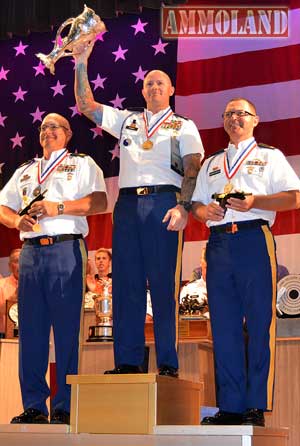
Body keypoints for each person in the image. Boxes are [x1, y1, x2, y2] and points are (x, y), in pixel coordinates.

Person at [73, 43, 204, 378]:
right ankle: (128, 362)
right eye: (149, 83)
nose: (154, 87)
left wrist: (184, 206)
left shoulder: (183, 125)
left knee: (162, 286)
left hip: (165, 204)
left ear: (172, 90)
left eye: (161, 83)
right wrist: (82, 62)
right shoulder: (128, 120)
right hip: (128, 205)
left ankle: (167, 364)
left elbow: (193, 167)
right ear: (142, 90)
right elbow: (86, 105)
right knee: (127, 285)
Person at [192, 98, 300, 426]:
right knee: (223, 328)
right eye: (229, 114)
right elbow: (196, 204)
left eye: (242, 113)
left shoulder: (270, 156)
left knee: (257, 324)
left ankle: (255, 404)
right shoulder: (212, 163)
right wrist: (203, 212)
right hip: (219, 244)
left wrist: (255, 201)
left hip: (254, 240)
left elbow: (294, 197)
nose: (235, 118)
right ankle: (231, 406)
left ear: (256, 119)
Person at [0, 113, 107, 424]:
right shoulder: (25, 170)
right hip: (31, 252)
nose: (48, 131)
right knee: (30, 331)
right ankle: (33, 405)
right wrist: (15, 220)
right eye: (43, 127)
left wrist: (58, 207)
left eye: (55, 127)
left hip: (66, 248)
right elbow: (2, 205)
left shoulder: (82, 163)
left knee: (66, 331)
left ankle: (65, 406)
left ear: (68, 133)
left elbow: (99, 202)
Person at [0, 248, 21, 335]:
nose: (21, 265)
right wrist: (12, 298)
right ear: (9, 266)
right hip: (4, 337)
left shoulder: (36, 288)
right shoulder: (1, 285)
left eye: (24, 261)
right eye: (17, 261)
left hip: (30, 336)